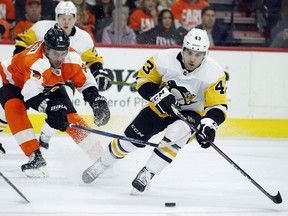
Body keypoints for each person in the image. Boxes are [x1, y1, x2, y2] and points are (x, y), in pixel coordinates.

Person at [81, 28, 228, 193]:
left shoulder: (214, 73)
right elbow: (143, 80)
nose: (193, 58)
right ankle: (102, 163)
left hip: (192, 113)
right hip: (160, 106)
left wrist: (208, 125)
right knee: (131, 140)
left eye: (198, 54)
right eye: (190, 52)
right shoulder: (163, 58)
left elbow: (218, 106)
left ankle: (148, 173)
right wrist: (158, 95)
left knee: (176, 133)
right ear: (183, 49)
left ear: (205, 54)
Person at [0, 25, 110, 177]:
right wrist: (50, 108)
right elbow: (31, 94)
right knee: (14, 108)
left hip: (48, 82)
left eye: (62, 53)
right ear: (46, 50)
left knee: (71, 118)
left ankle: (102, 158)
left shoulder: (72, 58)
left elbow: (86, 83)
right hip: (15, 82)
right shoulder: (35, 62)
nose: (59, 59)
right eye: (54, 54)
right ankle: (35, 157)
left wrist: (97, 101)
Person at [14, 1, 110, 149]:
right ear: (56, 17)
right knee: (11, 105)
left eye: (70, 18)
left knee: (66, 107)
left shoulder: (83, 38)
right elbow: (22, 39)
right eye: (62, 17)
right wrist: (21, 62)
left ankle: (47, 134)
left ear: (76, 18)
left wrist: (98, 76)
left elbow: (93, 60)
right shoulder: (41, 27)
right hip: (36, 74)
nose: (66, 21)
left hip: (63, 78)